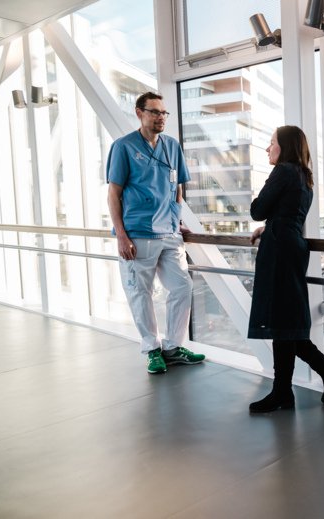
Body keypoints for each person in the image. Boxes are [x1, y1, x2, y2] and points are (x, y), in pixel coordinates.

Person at [247, 125, 324, 413]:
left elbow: (257, 209)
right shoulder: (304, 177)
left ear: (285, 147)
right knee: (285, 322)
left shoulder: (284, 171)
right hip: (291, 246)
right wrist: (270, 226)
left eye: (272, 143)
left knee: (281, 321)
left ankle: (293, 385)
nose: (268, 148)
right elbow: (287, 213)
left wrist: (266, 223)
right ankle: (294, 385)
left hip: (279, 250)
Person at [106, 91, 205, 374]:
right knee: (140, 293)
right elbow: (114, 194)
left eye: (163, 113)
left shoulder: (172, 146)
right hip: (137, 234)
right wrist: (121, 236)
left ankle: (173, 347)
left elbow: (178, 188)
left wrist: (176, 218)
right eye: (154, 112)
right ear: (139, 113)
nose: (160, 117)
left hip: (170, 234)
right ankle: (152, 349)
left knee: (182, 286)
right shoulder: (123, 147)